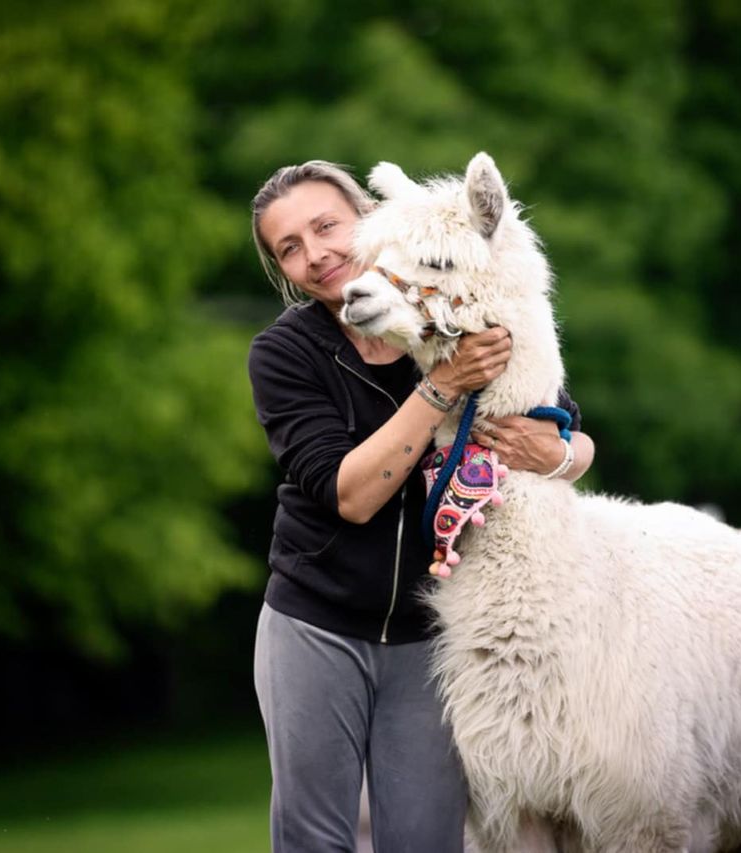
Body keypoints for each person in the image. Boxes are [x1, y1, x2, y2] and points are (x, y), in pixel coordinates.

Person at [247, 160, 595, 852]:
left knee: (428, 839)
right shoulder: (286, 354)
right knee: (313, 837)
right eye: (289, 247)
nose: (315, 254)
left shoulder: (444, 310)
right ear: (283, 270)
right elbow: (350, 493)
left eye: (326, 226)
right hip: (317, 622)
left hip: (430, 636)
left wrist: (559, 454)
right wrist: (441, 388)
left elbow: (566, 432)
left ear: (369, 219)